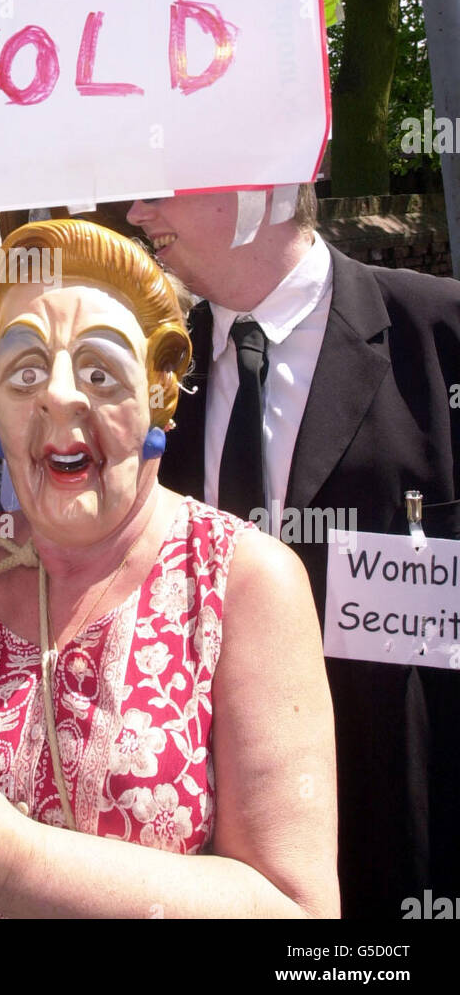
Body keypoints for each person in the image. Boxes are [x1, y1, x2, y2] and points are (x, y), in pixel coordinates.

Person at [0, 219, 338, 918]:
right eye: (25, 372)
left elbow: (302, 915)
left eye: (101, 371)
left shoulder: (245, 581)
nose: (60, 396)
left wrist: (19, 863)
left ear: (160, 392)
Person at [126, 185, 460, 919]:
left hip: (407, 847)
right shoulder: (145, 372)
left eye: (163, 188)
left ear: (261, 183)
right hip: (211, 860)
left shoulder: (440, 335)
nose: (137, 213)